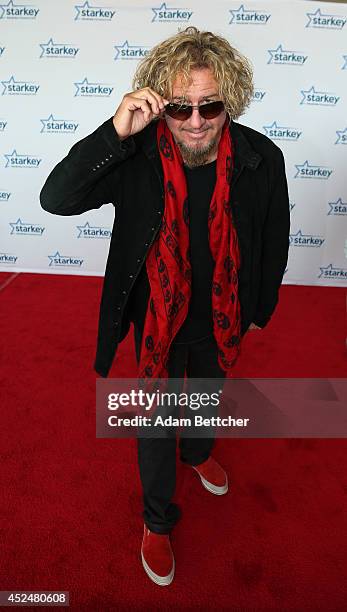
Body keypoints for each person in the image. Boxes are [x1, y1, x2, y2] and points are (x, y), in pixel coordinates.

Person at [40, 26, 290, 586]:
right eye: (180, 107)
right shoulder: (133, 154)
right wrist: (114, 132)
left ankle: (199, 453)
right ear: (158, 103)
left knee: (205, 398)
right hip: (156, 322)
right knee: (157, 422)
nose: (196, 121)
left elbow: (276, 237)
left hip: (222, 317)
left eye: (211, 105)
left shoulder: (260, 156)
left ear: (232, 99)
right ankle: (156, 520)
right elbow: (55, 199)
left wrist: (257, 309)